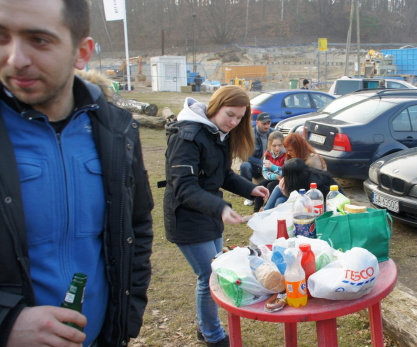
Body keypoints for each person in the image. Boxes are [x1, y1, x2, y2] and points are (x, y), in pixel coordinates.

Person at [0, 0, 155, 346]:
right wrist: (6, 323)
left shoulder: (117, 130)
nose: (15, 58)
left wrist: (126, 318)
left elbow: (138, 227)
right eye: (1, 37)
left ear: (81, 52)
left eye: (38, 40)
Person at [163, 86, 269, 347]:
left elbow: (221, 174)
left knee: (215, 272)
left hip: (209, 215)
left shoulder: (218, 134)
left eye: (239, 118)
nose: (233, 123)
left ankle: (204, 327)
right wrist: (221, 208)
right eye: (229, 115)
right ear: (215, 106)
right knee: (209, 276)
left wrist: (250, 188)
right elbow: (184, 187)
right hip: (186, 218)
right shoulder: (187, 136)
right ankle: (212, 335)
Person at [263, 133, 327, 210]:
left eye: (290, 150)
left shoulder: (312, 160)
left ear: (298, 148)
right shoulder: (296, 158)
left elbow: (311, 189)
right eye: (287, 150)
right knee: (279, 200)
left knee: (277, 188)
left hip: (309, 198)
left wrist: (285, 191)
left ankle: (264, 212)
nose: (288, 153)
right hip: (297, 193)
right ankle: (269, 215)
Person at [239, 111, 273, 206]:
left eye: (268, 123)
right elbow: (245, 156)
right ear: (257, 122)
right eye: (264, 124)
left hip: (271, 166)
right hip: (256, 166)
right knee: (244, 166)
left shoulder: (274, 134)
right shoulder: (249, 136)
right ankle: (248, 195)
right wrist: (263, 163)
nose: (267, 126)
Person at [253, 131, 286, 212]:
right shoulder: (268, 154)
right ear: (270, 145)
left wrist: (273, 167)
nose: (277, 148)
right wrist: (274, 176)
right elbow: (264, 172)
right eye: (274, 146)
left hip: (283, 180)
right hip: (274, 177)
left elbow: (285, 173)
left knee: (271, 186)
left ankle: (268, 209)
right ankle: (256, 211)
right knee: (260, 185)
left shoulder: (286, 155)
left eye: (280, 145)